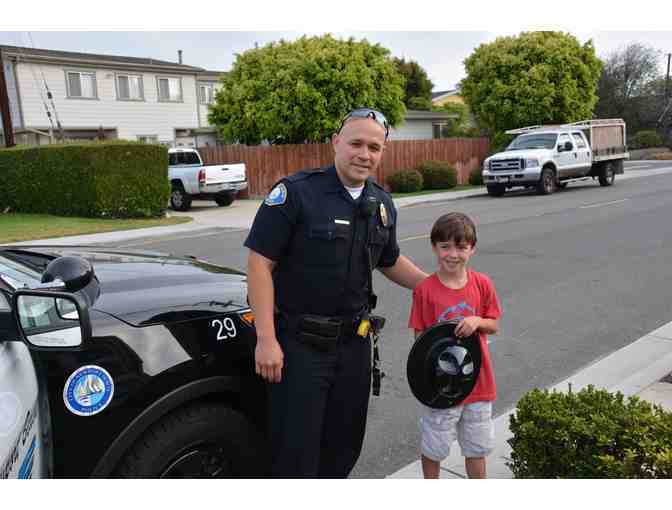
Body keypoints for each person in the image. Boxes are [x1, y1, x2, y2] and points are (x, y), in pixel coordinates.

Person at [244, 107, 428, 478]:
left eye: (374, 147)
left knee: (343, 449)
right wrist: (266, 338)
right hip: (299, 348)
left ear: (382, 152)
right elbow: (260, 264)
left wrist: (436, 288)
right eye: (356, 143)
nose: (364, 154)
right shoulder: (296, 193)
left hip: (354, 347)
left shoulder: (381, 203)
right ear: (335, 143)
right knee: (295, 455)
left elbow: (388, 260)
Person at [408, 212, 501, 479]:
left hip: (478, 382)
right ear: (434, 247)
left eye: (461, 247)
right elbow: (420, 341)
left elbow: (493, 324)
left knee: (476, 447)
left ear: (472, 248)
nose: (452, 254)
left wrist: (477, 321)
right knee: (434, 446)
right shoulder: (425, 290)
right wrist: (430, 378)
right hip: (440, 387)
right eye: (445, 246)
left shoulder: (482, 284)